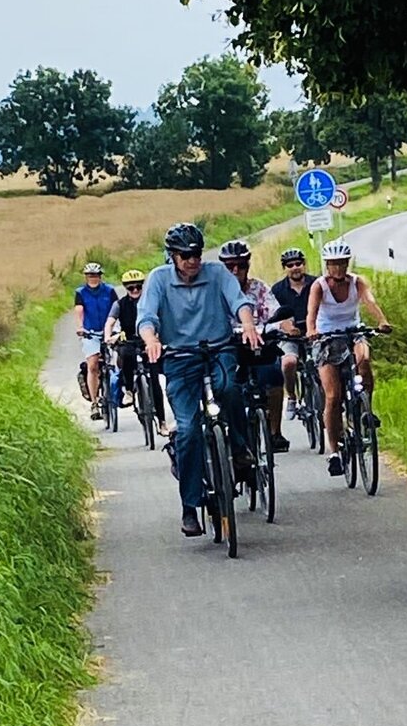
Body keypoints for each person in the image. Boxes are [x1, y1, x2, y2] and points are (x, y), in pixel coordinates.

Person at [137, 223, 261, 538]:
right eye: (185, 255)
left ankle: (239, 447)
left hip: (217, 350)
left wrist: (247, 325)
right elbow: (147, 317)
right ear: (172, 256)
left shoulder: (217, 274)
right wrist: (151, 339)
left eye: (196, 254)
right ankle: (190, 507)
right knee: (189, 431)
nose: (192, 261)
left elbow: (239, 302)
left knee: (230, 389)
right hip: (179, 359)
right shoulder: (158, 280)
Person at [306, 239, 392, 477]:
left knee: (364, 359)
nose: (338, 269)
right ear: (327, 265)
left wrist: (382, 321)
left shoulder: (357, 282)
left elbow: (369, 301)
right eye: (334, 264)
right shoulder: (319, 286)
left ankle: (366, 408)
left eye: (342, 263)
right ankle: (334, 451)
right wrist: (312, 329)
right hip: (327, 336)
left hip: (353, 331)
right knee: (333, 397)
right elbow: (311, 313)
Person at [218, 239, 291, 453]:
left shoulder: (259, 287)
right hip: (229, 347)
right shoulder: (216, 292)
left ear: (247, 266)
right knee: (226, 387)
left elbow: (274, 309)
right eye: (230, 266)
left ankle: (274, 432)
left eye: (240, 265)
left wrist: (282, 325)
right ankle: (229, 433)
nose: (235, 270)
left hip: (259, 343)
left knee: (275, 378)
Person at [103, 269, 169, 436]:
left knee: (154, 381)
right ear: (126, 288)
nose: (135, 291)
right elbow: (110, 322)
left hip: (148, 342)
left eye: (138, 287)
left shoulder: (150, 302)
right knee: (125, 355)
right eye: (131, 288)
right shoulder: (120, 304)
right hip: (129, 341)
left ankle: (162, 422)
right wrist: (108, 337)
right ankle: (129, 390)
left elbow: (161, 318)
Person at [271, 248, 317, 420]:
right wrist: (288, 328)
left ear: (304, 264)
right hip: (290, 335)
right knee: (289, 362)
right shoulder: (277, 290)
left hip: (315, 333)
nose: (295, 267)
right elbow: (275, 316)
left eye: (298, 263)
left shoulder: (316, 284)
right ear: (285, 268)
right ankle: (291, 396)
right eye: (290, 265)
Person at [74, 262, 118, 420]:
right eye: (90, 276)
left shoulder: (109, 290)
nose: (93, 278)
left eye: (96, 275)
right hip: (90, 333)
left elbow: (117, 308)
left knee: (117, 361)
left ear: (100, 276)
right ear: (86, 277)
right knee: (92, 365)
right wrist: (80, 327)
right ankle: (94, 403)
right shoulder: (80, 292)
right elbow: (79, 310)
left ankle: (123, 392)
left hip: (108, 332)